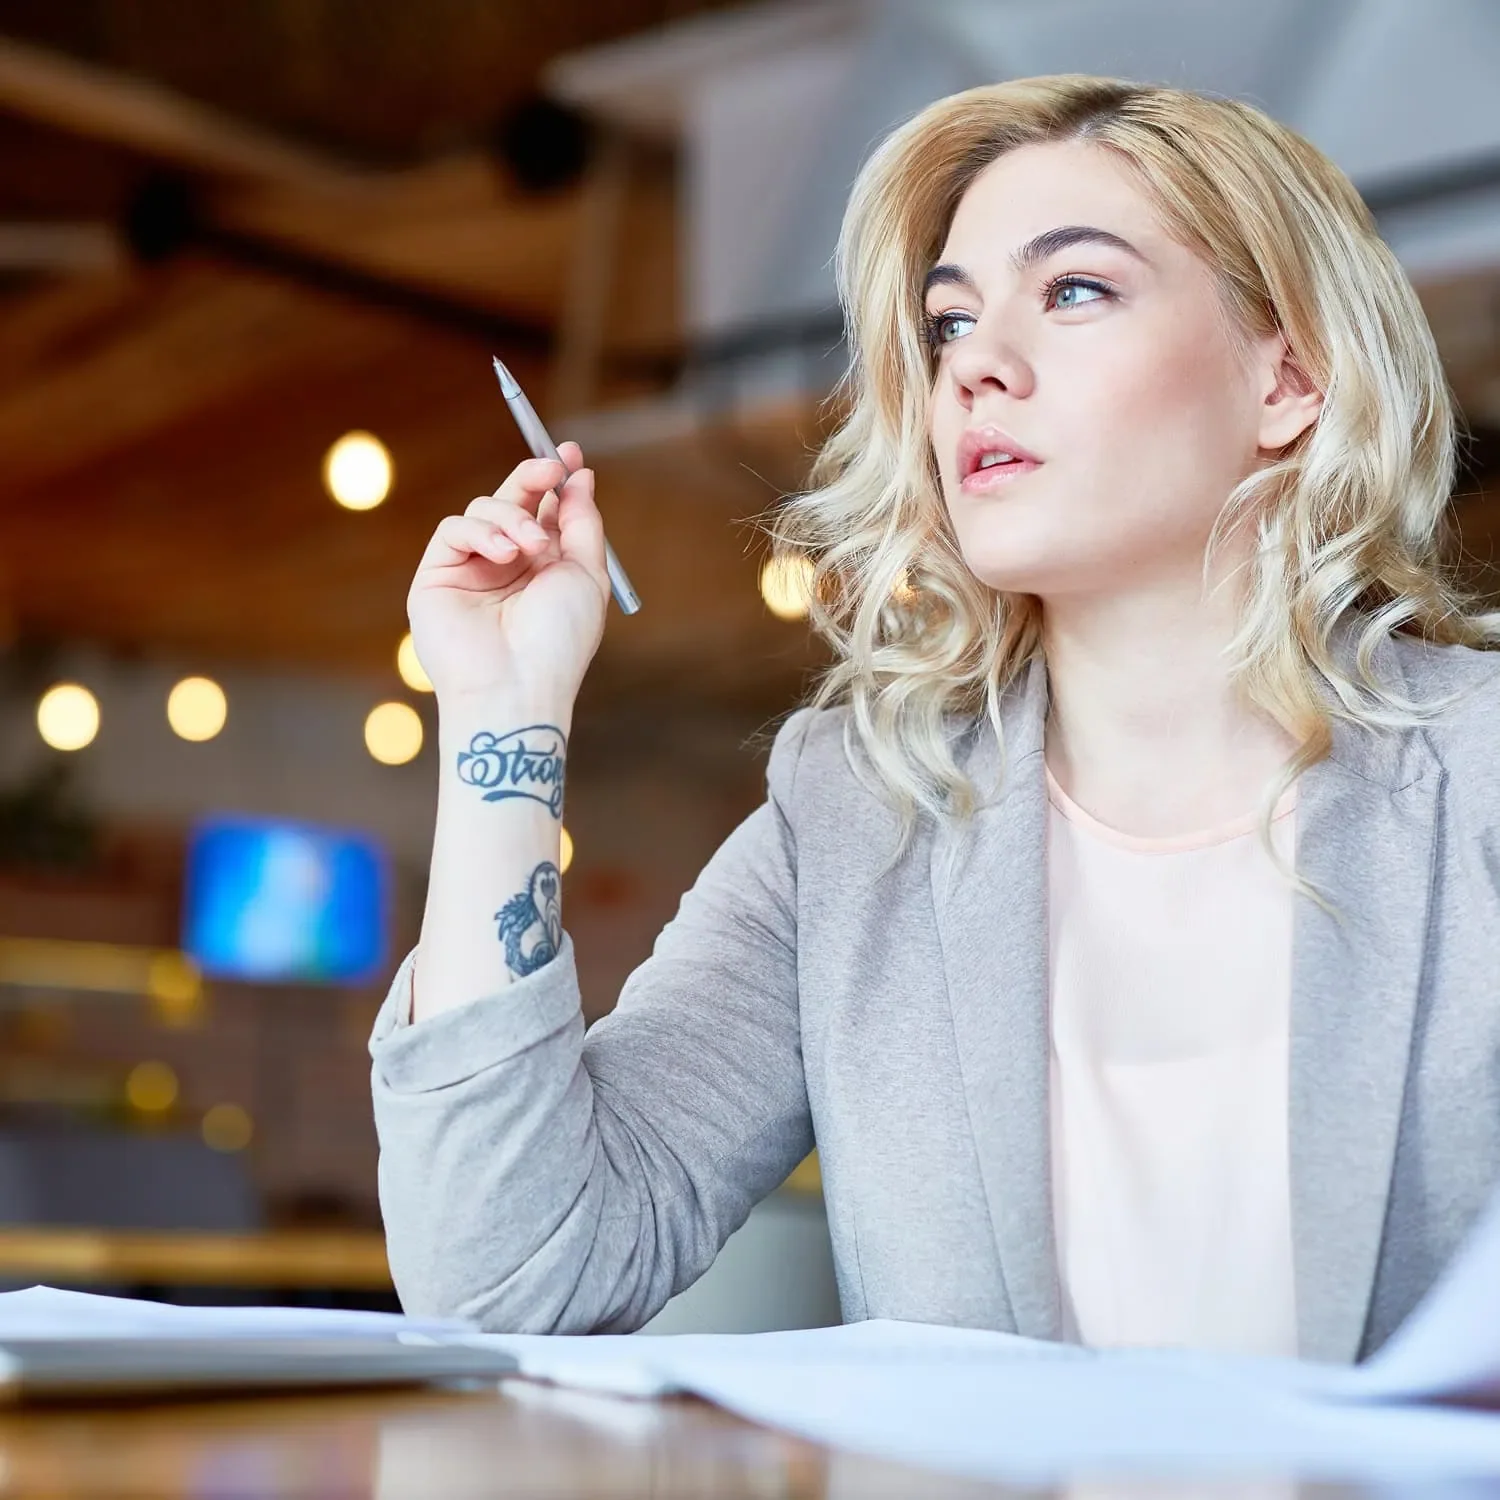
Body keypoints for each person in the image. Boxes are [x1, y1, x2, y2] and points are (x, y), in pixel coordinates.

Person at [369, 75, 1500, 1362]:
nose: (976, 367)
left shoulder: (1481, 774)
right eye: (949, 320)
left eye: (1074, 290)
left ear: (1287, 378)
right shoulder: (855, 815)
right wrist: (500, 720)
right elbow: (509, 1278)